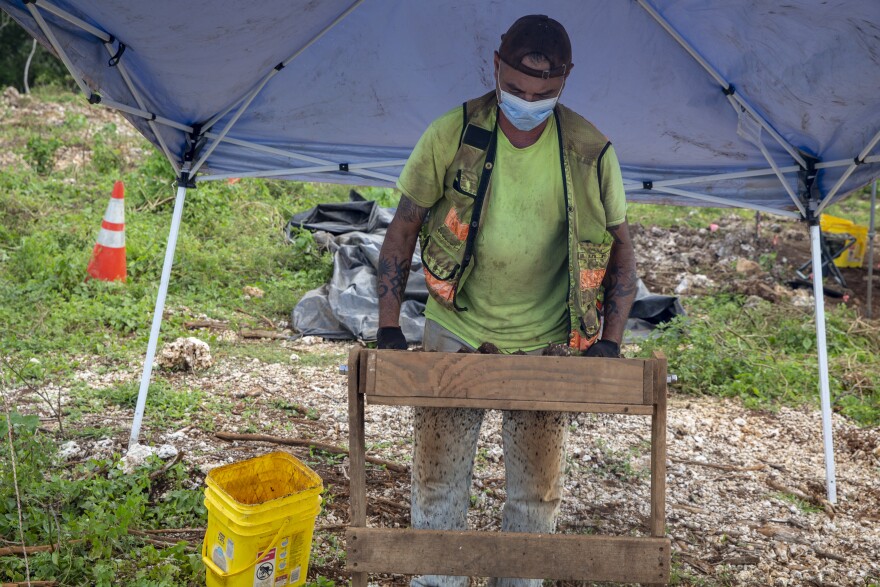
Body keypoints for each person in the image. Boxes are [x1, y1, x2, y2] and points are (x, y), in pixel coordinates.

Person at [376, 14, 637, 587]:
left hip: (546, 342)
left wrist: (610, 343)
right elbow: (403, 227)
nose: (528, 102)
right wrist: (389, 328)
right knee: (439, 479)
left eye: (544, 94)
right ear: (496, 67)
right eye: (517, 90)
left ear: (564, 83)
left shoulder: (590, 151)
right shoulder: (453, 134)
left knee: (536, 492)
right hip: (456, 329)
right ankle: (436, 581)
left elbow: (622, 251)